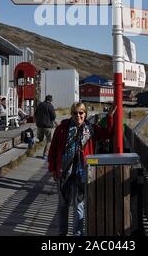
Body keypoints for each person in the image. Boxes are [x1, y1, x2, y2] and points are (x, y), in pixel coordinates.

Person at [48, 102, 116, 236]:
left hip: (81, 173)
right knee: (63, 206)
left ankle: (77, 234)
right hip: (64, 173)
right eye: (75, 113)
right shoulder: (62, 128)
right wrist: (52, 169)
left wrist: (110, 116)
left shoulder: (91, 129)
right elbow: (53, 150)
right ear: (71, 114)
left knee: (78, 206)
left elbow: (108, 133)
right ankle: (62, 233)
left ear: (85, 114)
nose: (78, 115)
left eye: (81, 113)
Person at [35, 95, 56, 160]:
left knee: (39, 139)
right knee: (49, 140)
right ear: (51, 100)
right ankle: (45, 155)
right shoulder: (50, 106)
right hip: (47, 126)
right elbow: (53, 116)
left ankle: (31, 145)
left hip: (39, 125)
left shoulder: (40, 105)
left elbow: (35, 114)